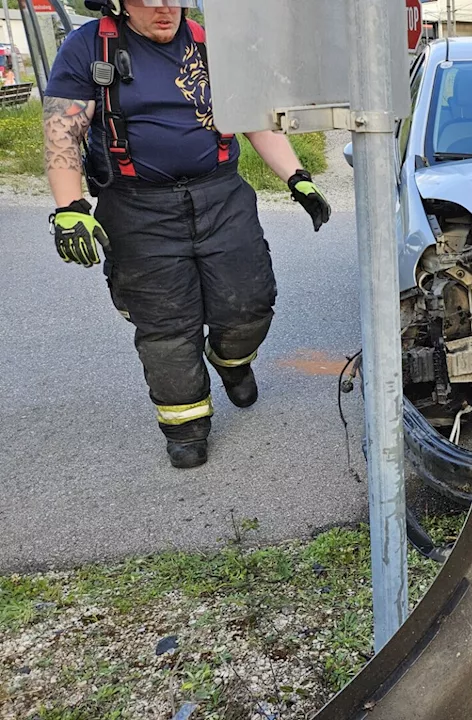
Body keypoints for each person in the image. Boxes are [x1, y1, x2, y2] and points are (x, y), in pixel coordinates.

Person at [42, 0, 332, 469]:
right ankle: (186, 425)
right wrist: (69, 208)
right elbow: (62, 129)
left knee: (250, 300)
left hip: (220, 196)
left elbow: (252, 118)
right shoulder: (88, 48)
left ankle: (231, 361)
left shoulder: (213, 46)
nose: (162, 7)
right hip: (137, 208)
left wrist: (297, 177)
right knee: (166, 325)